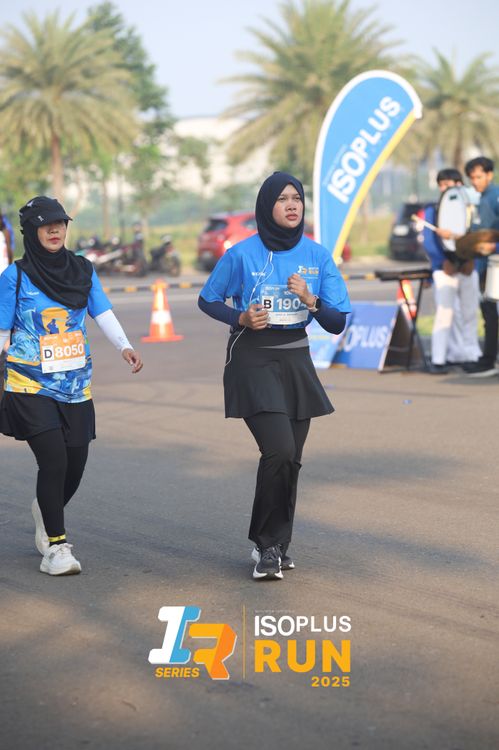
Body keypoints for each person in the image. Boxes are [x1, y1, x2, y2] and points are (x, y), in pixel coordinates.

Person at [198, 172, 351, 580]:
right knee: (279, 450)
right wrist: (240, 317)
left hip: (296, 360)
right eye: (282, 199)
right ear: (267, 206)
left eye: (296, 197)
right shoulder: (242, 254)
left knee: (291, 459)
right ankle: (267, 547)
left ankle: (278, 544)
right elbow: (208, 299)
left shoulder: (317, 255)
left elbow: (336, 322)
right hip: (251, 358)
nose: (291, 204)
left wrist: (311, 299)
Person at [0, 196, 143, 576]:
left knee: (74, 465)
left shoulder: (82, 270)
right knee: (54, 460)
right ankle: (56, 549)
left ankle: (45, 511)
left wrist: (125, 346)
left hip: (76, 384)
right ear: (31, 231)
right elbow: (1, 331)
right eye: (45, 224)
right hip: (29, 383)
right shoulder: (14, 277)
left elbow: (102, 311)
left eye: (60, 223)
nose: (55, 230)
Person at [422, 169, 481, 373]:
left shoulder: (472, 206)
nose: (443, 188)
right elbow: (429, 243)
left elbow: (479, 236)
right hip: (444, 270)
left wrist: (471, 260)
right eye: (441, 185)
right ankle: (439, 359)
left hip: (468, 268)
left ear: (459, 185)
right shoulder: (433, 210)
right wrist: (442, 262)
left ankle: (471, 355)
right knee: (444, 314)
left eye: (447, 184)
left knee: (469, 313)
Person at [461, 157, 499, 377]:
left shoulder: (495, 197)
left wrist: (495, 246)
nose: (475, 181)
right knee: (488, 315)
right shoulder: (481, 199)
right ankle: (488, 359)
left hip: (495, 266)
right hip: (485, 267)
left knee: (492, 314)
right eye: (472, 178)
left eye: (478, 177)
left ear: (489, 175)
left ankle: (488, 360)